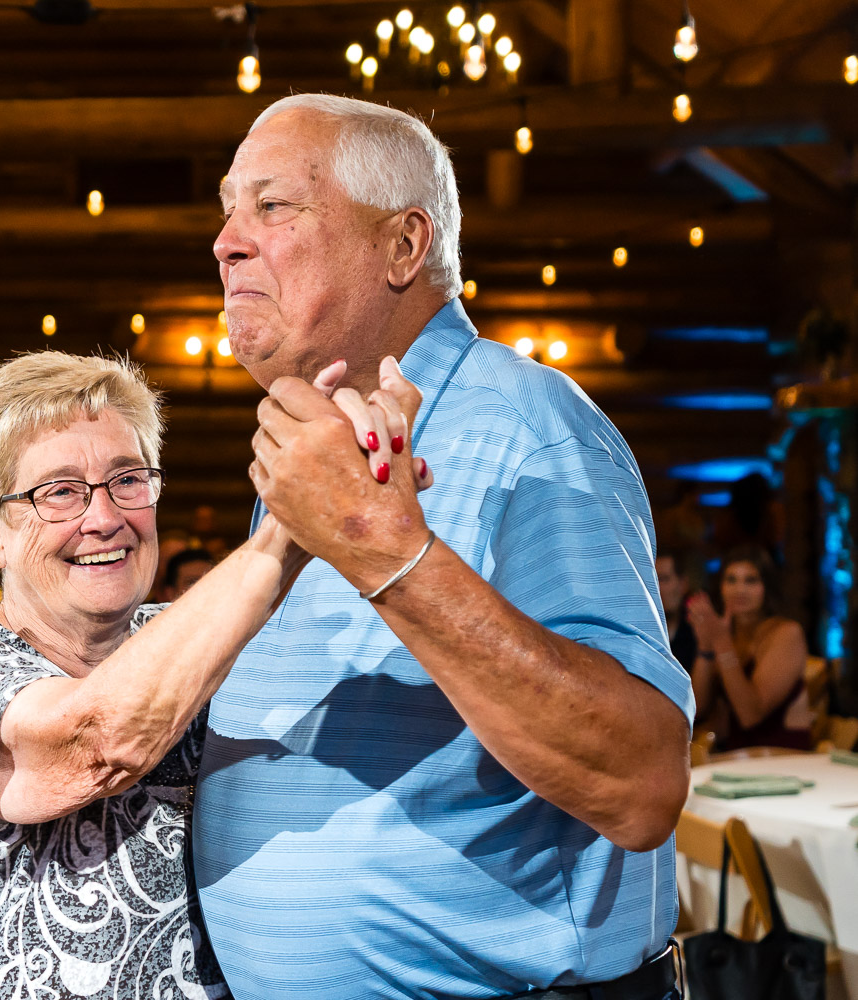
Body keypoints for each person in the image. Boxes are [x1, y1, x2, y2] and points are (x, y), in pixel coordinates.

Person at [198, 94, 692, 999]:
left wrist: (384, 551)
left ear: (403, 245)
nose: (226, 242)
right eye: (229, 211)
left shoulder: (526, 427)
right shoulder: (320, 450)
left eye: (272, 206)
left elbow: (642, 777)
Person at [0, 350, 406, 1000]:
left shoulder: (181, 636)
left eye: (127, 480)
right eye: (59, 492)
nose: (104, 518)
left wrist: (361, 460)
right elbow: (93, 741)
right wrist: (288, 527)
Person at [686, 546, 811, 751]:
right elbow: (695, 711)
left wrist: (721, 643)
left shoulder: (787, 633)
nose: (740, 590)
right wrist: (705, 647)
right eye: (731, 580)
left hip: (780, 756)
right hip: (733, 757)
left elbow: (750, 716)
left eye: (751, 580)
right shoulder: (726, 633)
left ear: (767, 587)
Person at [657, 548, 698, 673]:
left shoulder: (696, 631)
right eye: (651, 580)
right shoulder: (636, 633)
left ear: (683, 584)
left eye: (663, 579)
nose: (656, 588)